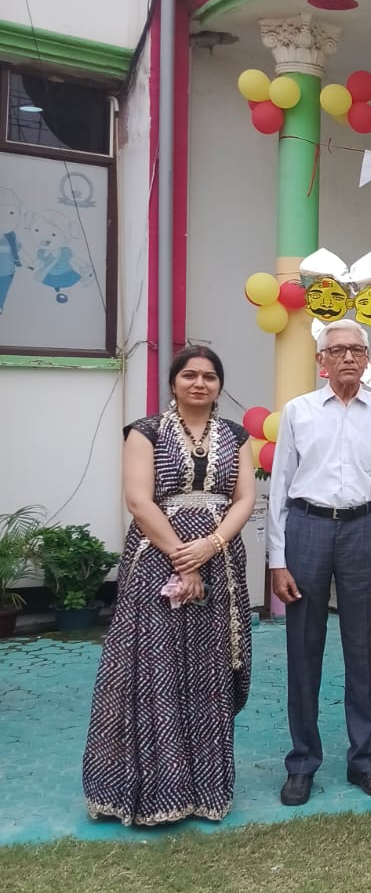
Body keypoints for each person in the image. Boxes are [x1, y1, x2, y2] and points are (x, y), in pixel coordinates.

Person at [82, 345, 255, 826]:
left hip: (221, 562)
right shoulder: (146, 432)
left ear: (219, 385)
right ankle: (156, 791)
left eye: (209, 376)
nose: (199, 383)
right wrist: (184, 556)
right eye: (189, 375)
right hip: (156, 558)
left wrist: (211, 546)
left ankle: (205, 790)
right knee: (155, 668)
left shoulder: (236, 436)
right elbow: (139, 501)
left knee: (209, 671)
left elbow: (244, 499)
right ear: (173, 382)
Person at [267, 319, 371, 806]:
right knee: (303, 647)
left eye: (357, 350)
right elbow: (279, 487)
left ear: (367, 359)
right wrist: (277, 560)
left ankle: (363, 760)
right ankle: (302, 762)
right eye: (338, 350)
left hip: (363, 529)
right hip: (307, 528)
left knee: (362, 647)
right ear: (321, 361)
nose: (348, 357)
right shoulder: (299, 411)